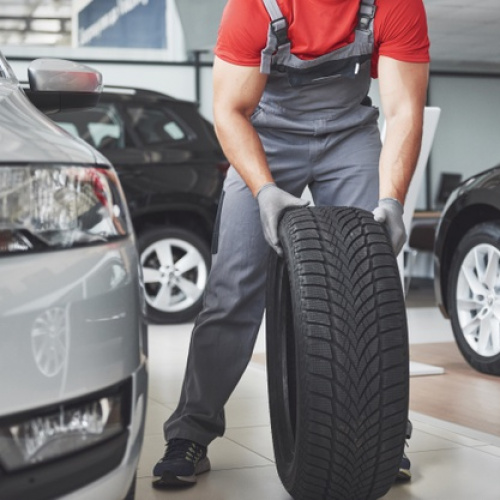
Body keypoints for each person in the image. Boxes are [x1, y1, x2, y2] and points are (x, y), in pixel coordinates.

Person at [152, 0, 429, 489]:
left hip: (350, 135)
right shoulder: (255, 7)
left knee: (373, 287)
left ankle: (385, 435)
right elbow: (229, 110)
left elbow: (404, 109)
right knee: (232, 289)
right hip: (264, 134)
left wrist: (392, 200)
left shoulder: (396, 5)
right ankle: (190, 433)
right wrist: (262, 190)